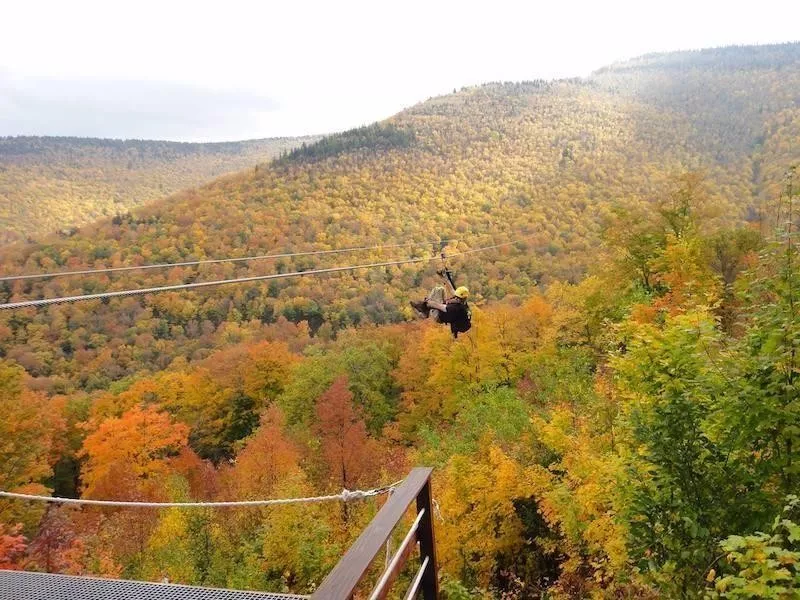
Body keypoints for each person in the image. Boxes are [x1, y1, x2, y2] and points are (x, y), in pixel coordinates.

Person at [410, 269, 472, 337]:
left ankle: (423, 311)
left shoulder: (456, 308)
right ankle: (424, 310)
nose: (456, 298)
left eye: (457, 298)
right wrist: (444, 277)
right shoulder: (462, 301)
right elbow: (451, 289)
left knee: (435, 295)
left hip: (438, 316)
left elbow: (439, 306)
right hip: (447, 313)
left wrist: (428, 302)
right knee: (440, 289)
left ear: (462, 299)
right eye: (456, 297)